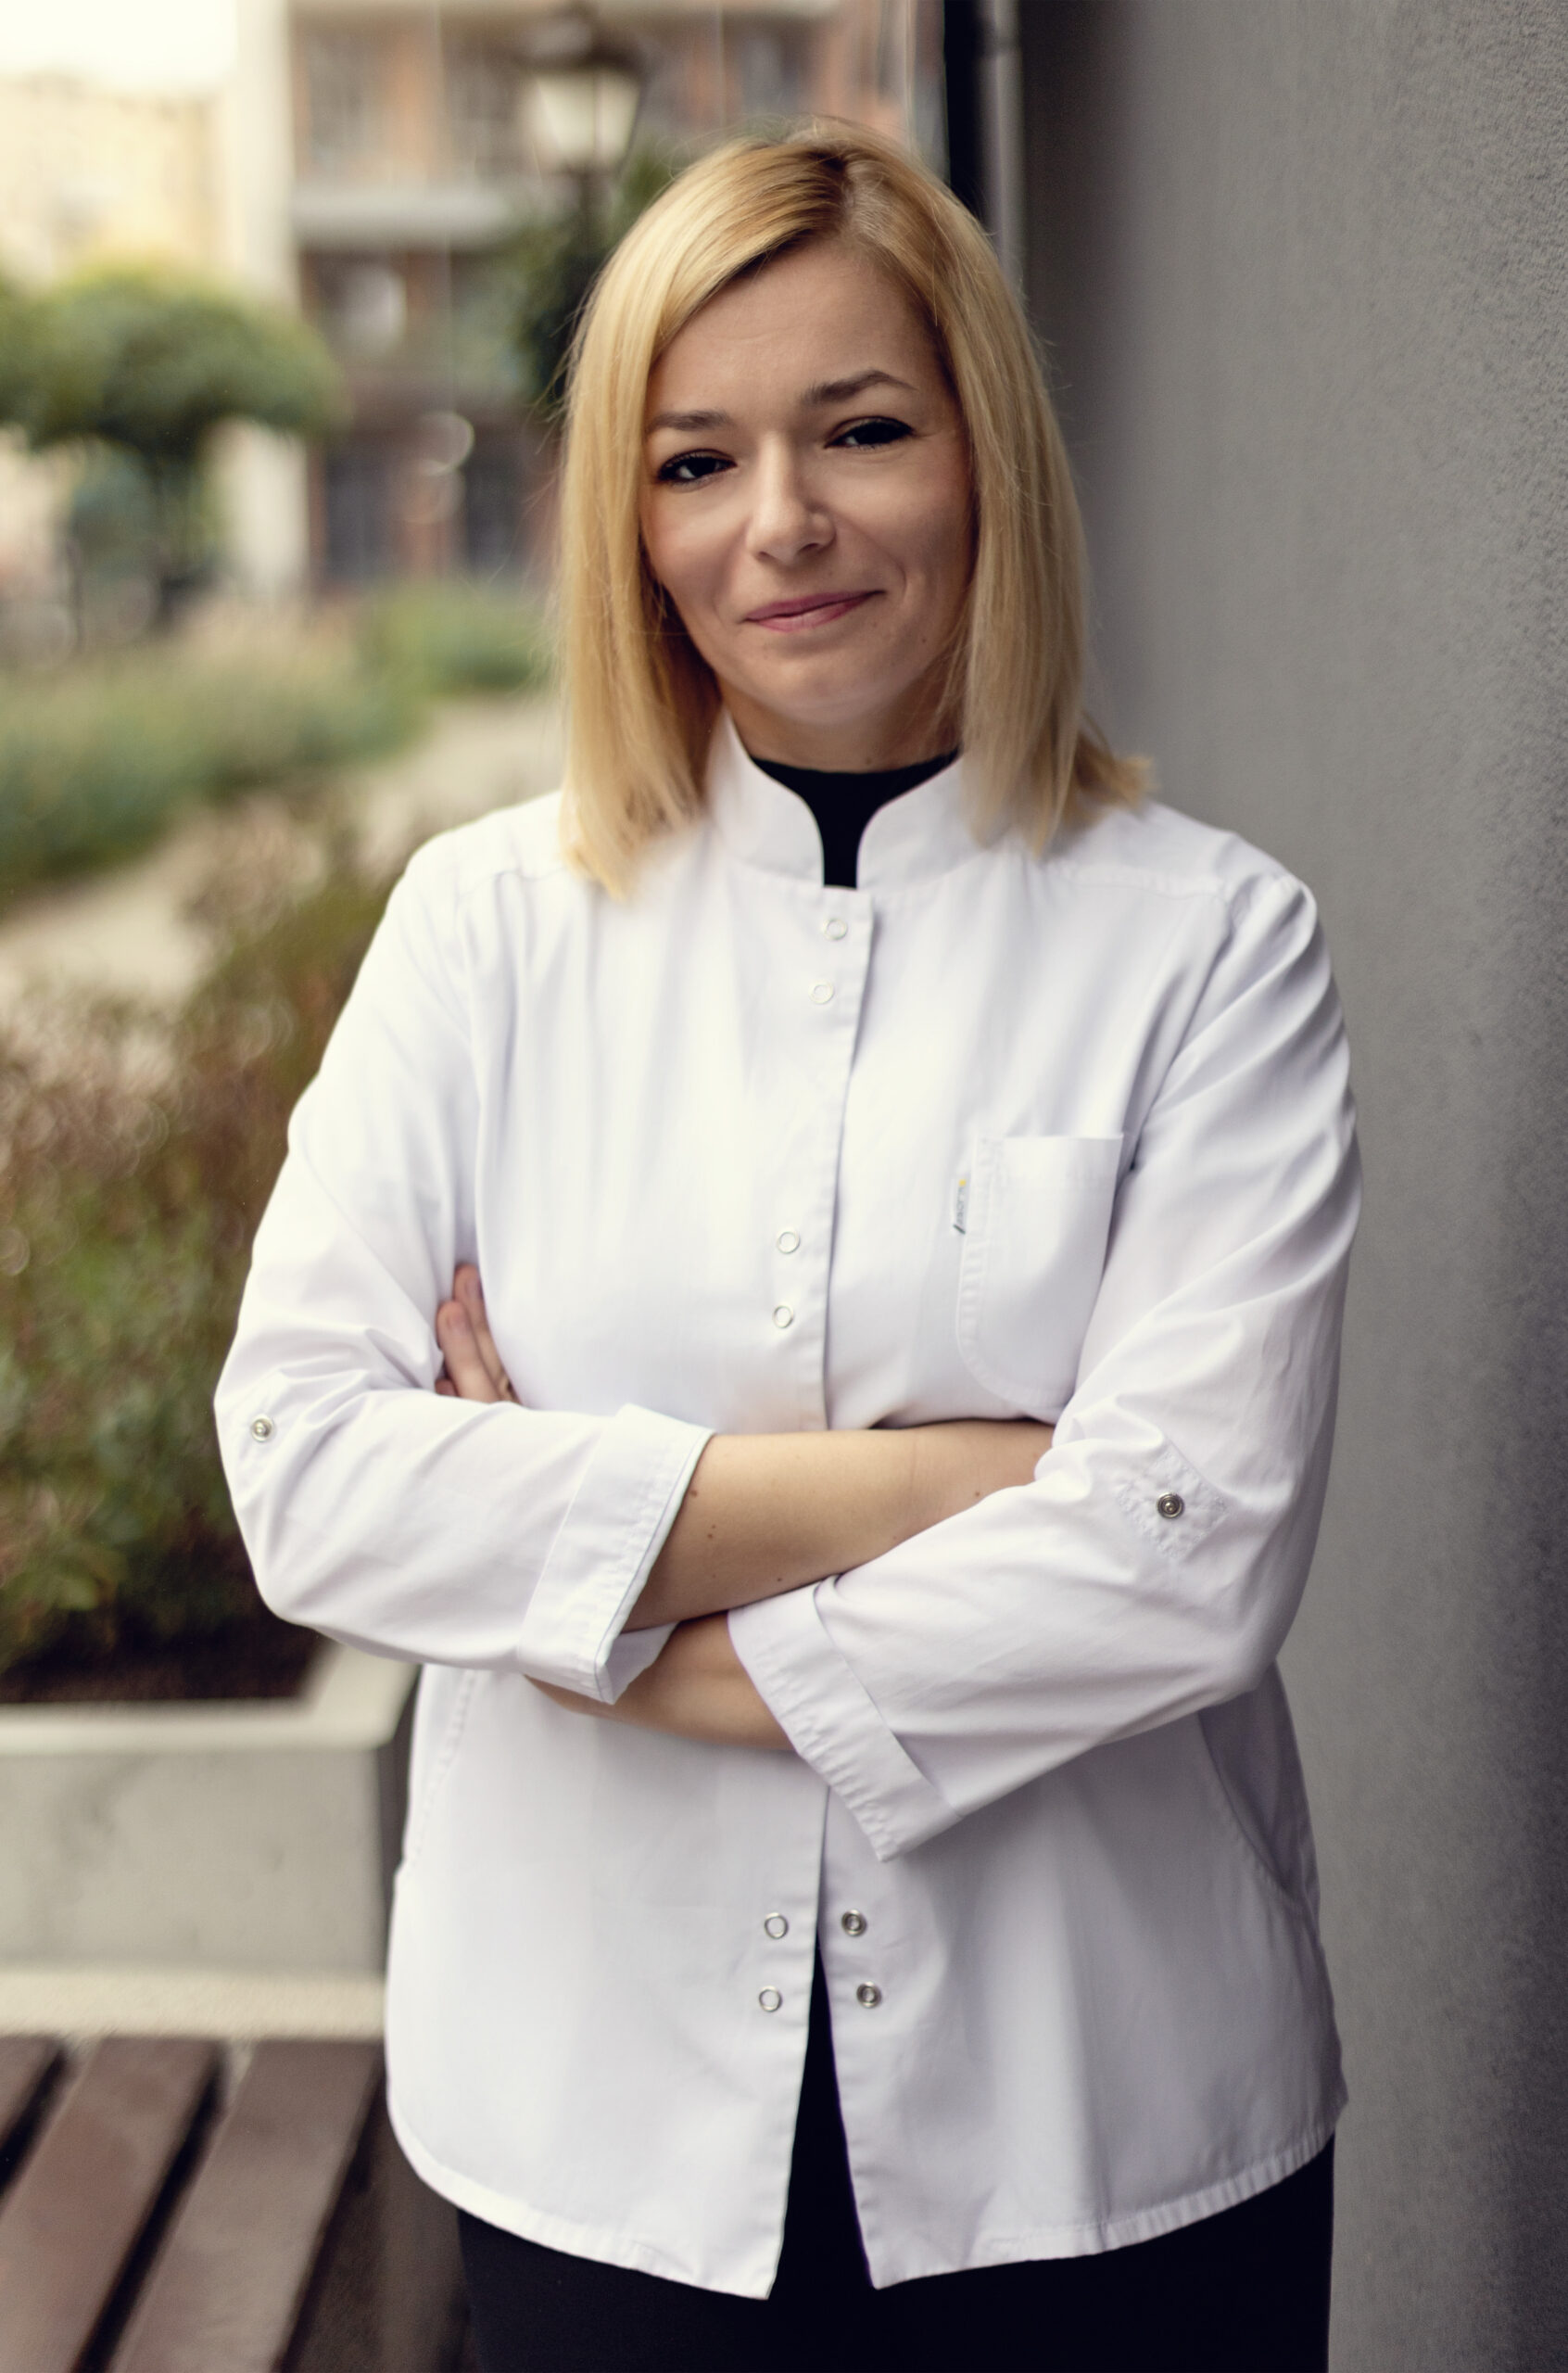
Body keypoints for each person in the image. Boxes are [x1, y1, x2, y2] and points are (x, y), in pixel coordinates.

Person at [217, 125, 1358, 2373]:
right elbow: (311, 1470)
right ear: (626, 523)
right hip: (591, 2122)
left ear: (985, 455)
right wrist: (948, 1478)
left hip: (1103, 2123)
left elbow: (1188, 1560)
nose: (782, 524)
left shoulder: (1215, 948)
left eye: (862, 431)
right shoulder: (483, 931)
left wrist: (593, 1619)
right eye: (696, 459)